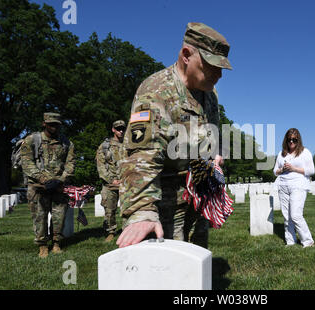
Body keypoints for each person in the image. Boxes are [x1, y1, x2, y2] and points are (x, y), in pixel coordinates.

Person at [117, 22, 232, 249]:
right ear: (186, 55)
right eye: (211, 65)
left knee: (198, 261)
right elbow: (141, 155)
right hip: (167, 200)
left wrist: (215, 154)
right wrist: (142, 211)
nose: (219, 74)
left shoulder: (210, 94)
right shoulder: (156, 91)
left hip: (200, 192)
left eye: (221, 68)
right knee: (168, 268)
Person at [20, 113, 76, 258]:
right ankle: (43, 245)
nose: (54, 126)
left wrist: (61, 179)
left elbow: (71, 163)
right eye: (51, 124)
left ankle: (56, 243)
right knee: (40, 217)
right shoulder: (32, 140)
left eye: (56, 124)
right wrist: (44, 179)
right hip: (38, 186)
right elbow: (26, 163)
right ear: (44, 123)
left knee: (59, 216)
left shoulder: (66, 142)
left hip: (58, 186)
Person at [273, 128, 315, 248]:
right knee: (287, 216)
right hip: (283, 185)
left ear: (298, 140)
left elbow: (311, 170)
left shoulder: (305, 152)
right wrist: (282, 169)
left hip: (298, 185)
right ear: (286, 140)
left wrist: (293, 169)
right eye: (289, 139)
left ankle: (308, 241)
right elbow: (275, 171)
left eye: (294, 140)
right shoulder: (281, 154)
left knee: (295, 215)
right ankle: (290, 241)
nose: (291, 142)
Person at [96, 120, 126, 242]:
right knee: (109, 210)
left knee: (128, 210)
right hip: (110, 184)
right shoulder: (105, 146)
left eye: (123, 129)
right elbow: (101, 165)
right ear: (113, 130)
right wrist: (111, 180)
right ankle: (110, 231)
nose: (121, 131)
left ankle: (127, 230)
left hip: (126, 183)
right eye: (118, 129)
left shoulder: (129, 145)